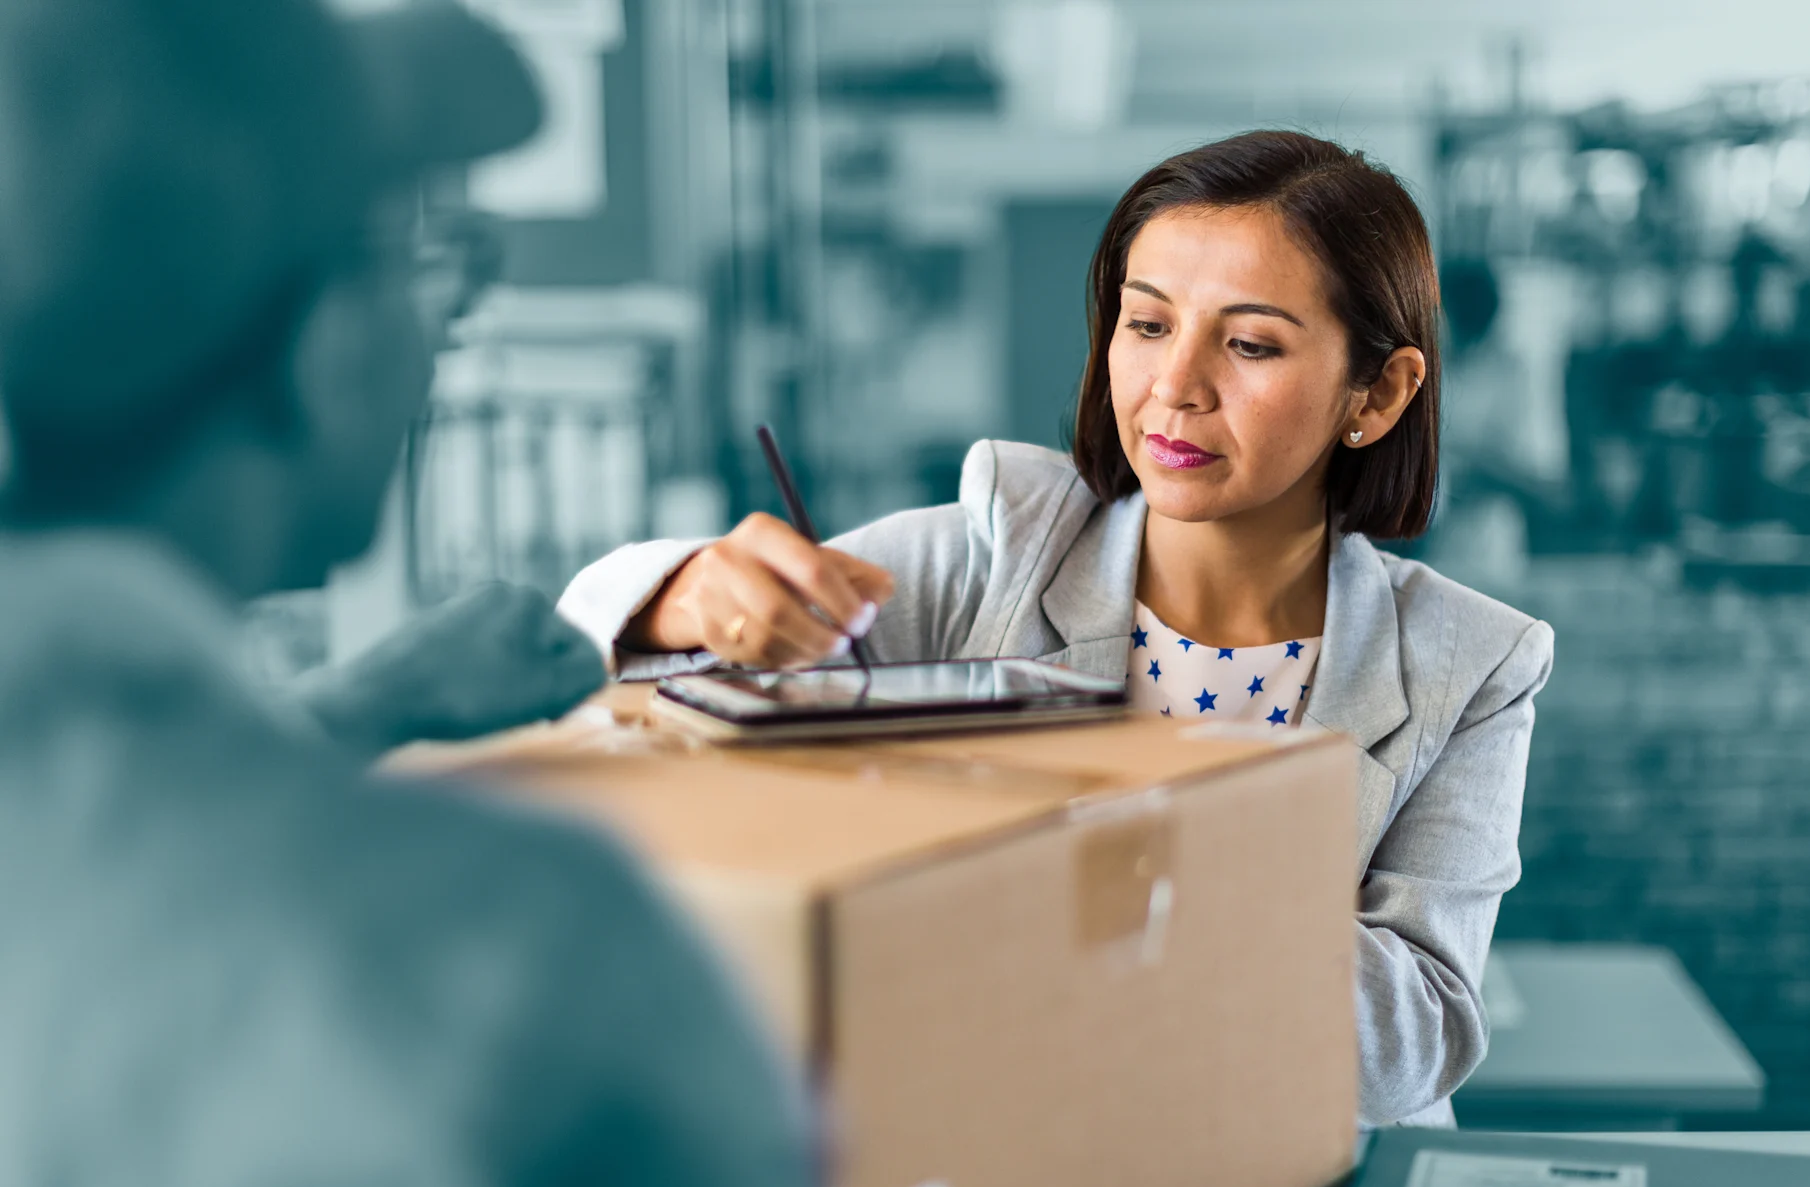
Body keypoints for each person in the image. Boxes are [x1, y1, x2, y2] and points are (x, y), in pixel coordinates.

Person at [0, 2, 824, 1187]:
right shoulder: (508, 969)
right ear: (318, 350)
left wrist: (351, 705)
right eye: (425, 259)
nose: (443, 325)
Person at [562, 130, 1555, 1128]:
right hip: (999, 1165)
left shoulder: (1469, 665)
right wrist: (687, 593)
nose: (1177, 384)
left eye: (1249, 344)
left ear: (1376, 393)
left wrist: (1102, 863)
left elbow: (1414, 1038)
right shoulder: (993, 557)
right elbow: (590, 661)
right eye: (1148, 324)